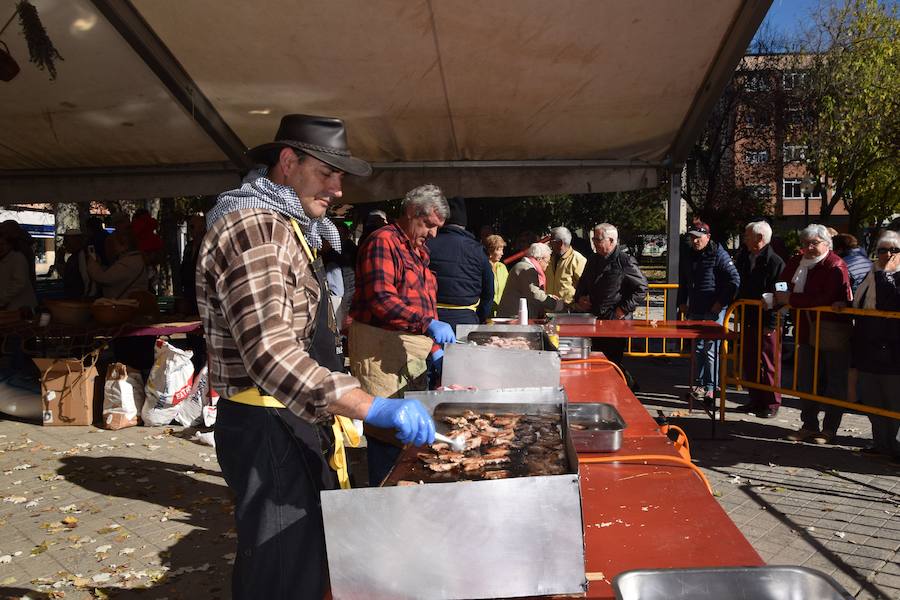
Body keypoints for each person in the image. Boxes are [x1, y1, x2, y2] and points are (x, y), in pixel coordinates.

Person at [196, 114, 435, 600]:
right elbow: (269, 352)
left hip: (293, 418)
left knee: (304, 562)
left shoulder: (288, 225)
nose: (337, 188)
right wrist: (372, 406)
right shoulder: (256, 229)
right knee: (282, 576)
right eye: (326, 173)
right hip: (266, 426)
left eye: (339, 177)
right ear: (287, 163)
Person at [348, 183, 454, 485]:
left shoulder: (418, 250)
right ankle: (384, 496)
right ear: (411, 212)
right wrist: (427, 325)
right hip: (378, 347)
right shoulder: (382, 242)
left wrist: (431, 343)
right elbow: (381, 299)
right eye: (429, 225)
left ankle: (403, 495)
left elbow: (422, 300)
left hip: (408, 347)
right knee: (388, 434)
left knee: (411, 430)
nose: (433, 234)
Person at [776, 224, 852, 444]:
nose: (808, 247)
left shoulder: (835, 265)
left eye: (814, 243)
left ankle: (829, 430)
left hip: (831, 331)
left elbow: (824, 298)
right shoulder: (796, 261)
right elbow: (781, 282)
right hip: (804, 330)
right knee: (806, 381)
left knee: (833, 382)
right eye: (805, 243)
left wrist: (790, 299)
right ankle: (809, 425)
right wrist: (781, 295)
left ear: (826, 244)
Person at [572, 223, 648, 381]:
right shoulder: (593, 259)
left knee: (612, 363)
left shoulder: (624, 260)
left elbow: (641, 287)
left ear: (612, 240)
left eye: (598, 239)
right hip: (594, 319)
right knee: (595, 361)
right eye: (593, 239)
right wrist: (580, 298)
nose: (594, 243)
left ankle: (621, 391)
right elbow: (583, 283)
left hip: (615, 322)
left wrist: (622, 310)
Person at [849, 230, 900, 463]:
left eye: (893, 250)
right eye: (882, 250)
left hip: (893, 353)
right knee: (871, 399)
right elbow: (861, 303)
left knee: (892, 402)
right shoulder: (871, 275)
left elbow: (888, 302)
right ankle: (881, 443)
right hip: (868, 348)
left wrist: (887, 273)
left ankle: (893, 446)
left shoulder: (890, 277)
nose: (887, 255)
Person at [676, 222, 740, 405]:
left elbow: (734, 279)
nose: (695, 241)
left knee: (710, 350)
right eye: (693, 237)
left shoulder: (718, 253)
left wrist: (720, 303)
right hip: (695, 308)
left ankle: (711, 388)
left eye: (699, 237)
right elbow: (684, 280)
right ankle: (699, 385)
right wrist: (681, 302)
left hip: (713, 309)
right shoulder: (688, 255)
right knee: (697, 350)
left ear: (708, 237)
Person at [733, 221, 785, 418]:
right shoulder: (745, 258)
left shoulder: (775, 262)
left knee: (769, 362)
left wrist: (771, 323)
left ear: (759, 238)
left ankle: (771, 403)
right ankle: (755, 399)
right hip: (748, 316)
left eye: (747, 236)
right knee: (750, 360)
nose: (745, 239)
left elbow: (780, 293)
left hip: (766, 320)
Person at [426, 197, 494, 330]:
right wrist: (478, 318)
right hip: (465, 321)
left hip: (430, 321)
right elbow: (489, 293)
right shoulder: (478, 251)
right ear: (464, 224)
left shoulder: (426, 245)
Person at [496, 242, 561, 319]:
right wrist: (558, 305)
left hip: (516, 318)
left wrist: (548, 297)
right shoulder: (526, 269)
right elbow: (534, 294)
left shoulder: (524, 266)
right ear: (539, 259)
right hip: (514, 319)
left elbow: (527, 292)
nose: (548, 265)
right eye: (547, 262)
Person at [85, 229, 148, 300]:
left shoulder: (127, 263)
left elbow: (103, 278)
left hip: (125, 306)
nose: (112, 248)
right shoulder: (134, 259)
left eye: (114, 244)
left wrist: (92, 262)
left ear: (124, 246)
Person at [545, 226, 587, 305]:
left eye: (551, 241)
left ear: (560, 243)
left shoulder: (578, 260)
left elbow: (585, 288)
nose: (549, 244)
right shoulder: (548, 258)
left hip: (569, 311)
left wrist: (575, 305)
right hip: (549, 310)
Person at [0, 231, 37, 313]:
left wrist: (3, 298)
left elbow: (19, 283)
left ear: (10, 245)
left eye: (2, 244)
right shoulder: (3, 259)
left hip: (21, 307)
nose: (0, 248)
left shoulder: (17, 258)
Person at [60, 230, 98, 299]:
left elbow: (89, 278)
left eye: (66, 241)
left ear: (75, 240)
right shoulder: (74, 256)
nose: (64, 244)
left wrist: (87, 296)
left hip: (82, 298)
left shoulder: (83, 255)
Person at [483, 234, 508, 314]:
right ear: (490, 250)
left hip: (501, 312)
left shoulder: (502, 267)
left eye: (502, 250)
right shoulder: (482, 266)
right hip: (485, 312)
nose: (502, 253)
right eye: (499, 250)